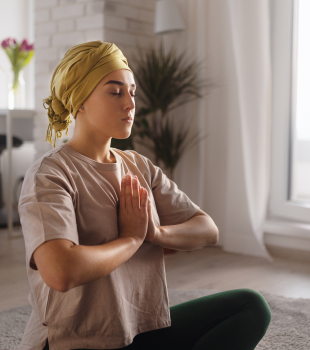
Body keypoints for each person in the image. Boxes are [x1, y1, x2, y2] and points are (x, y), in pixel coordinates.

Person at [18, 41, 271, 350]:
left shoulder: (137, 166)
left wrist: (155, 232)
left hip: (138, 333)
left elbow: (207, 230)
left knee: (250, 306)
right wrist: (131, 239)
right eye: (115, 92)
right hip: (74, 342)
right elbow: (60, 271)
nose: (130, 103)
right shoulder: (50, 174)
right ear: (79, 100)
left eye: (132, 92)